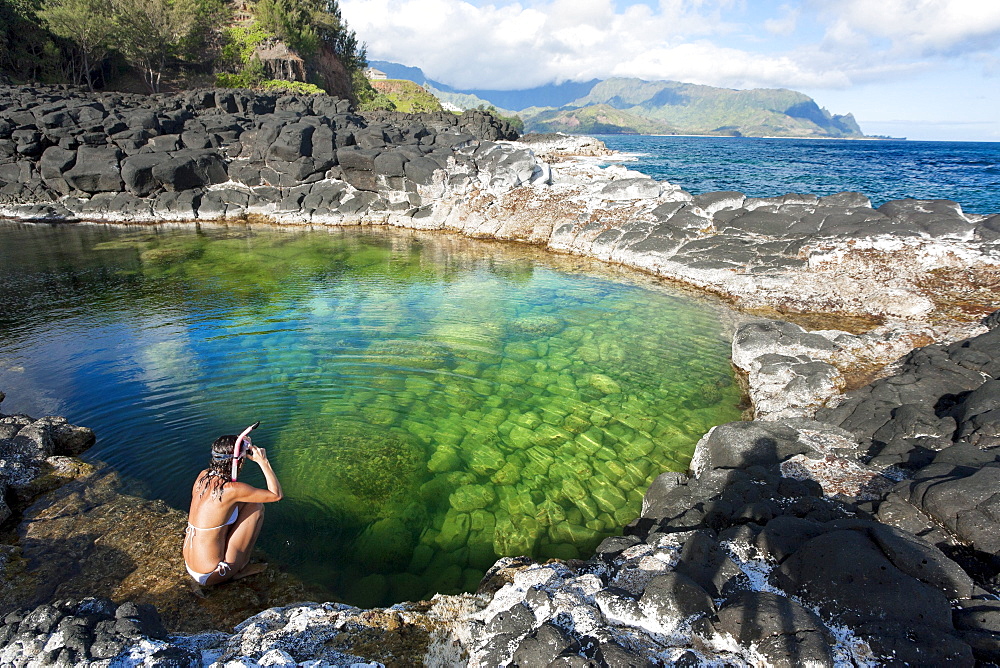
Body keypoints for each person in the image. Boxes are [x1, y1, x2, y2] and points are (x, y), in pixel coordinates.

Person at [182, 433, 283, 587]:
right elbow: (276, 495)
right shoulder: (230, 489)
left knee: (244, 504)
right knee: (256, 507)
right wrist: (263, 462)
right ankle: (241, 567)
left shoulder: (203, 476)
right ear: (238, 461)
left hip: (191, 564)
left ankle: (232, 560)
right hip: (212, 573)